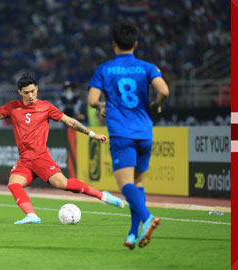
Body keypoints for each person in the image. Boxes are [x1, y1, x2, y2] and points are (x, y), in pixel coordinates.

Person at [0, 74, 124, 224]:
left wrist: (91, 134)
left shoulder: (46, 107)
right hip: (25, 160)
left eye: (32, 91)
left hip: (40, 157)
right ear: (19, 92)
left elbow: (70, 121)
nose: (30, 95)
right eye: (26, 93)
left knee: (62, 184)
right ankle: (32, 215)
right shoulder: (13, 107)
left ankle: (102, 196)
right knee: (14, 183)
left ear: (37, 89)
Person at [88, 22, 170, 249]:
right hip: (144, 133)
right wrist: (155, 104)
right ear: (135, 43)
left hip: (121, 134)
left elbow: (92, 100)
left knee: (124, 185)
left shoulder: (104, 70)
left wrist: (100, 106)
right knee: (138, 183)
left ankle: (147, 218)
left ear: (113, 44)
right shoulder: (147, 67)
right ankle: (133, 233)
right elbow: (164, 91)